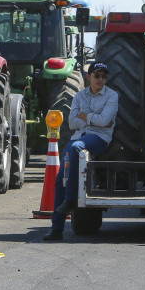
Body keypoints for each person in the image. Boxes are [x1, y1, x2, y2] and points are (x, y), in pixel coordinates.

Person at [43, 62, 118, 241]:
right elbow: (72, 123)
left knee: (77, 148)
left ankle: (71, 200)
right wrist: (94, 119)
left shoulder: (112, 96)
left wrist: (85, 117)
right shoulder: (79, 96)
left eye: (103, 76)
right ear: (89, 77)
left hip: (100, 138)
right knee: (61, 178)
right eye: (97, 75)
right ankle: (56, 229)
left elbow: (106, 121)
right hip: (78, 136)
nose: (101, 79)